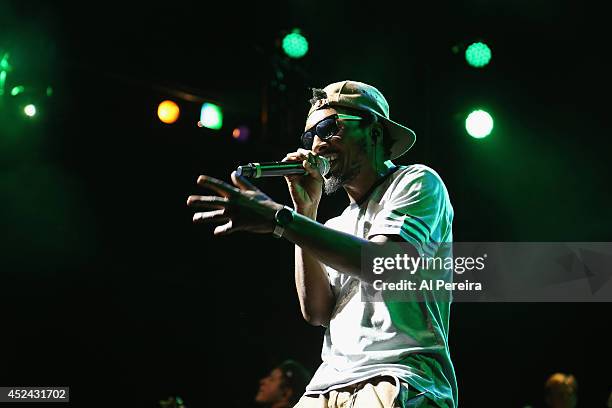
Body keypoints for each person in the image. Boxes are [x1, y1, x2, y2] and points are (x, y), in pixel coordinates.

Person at [187, 80, 456, 407]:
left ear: (374, 132)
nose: (315, 145)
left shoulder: (415, 181)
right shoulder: (333, 226)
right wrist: (305, 212)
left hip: (396, 375)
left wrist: (281, 220)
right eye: (308, 136)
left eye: (329, 128)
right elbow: (315, 311)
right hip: (327, 384)